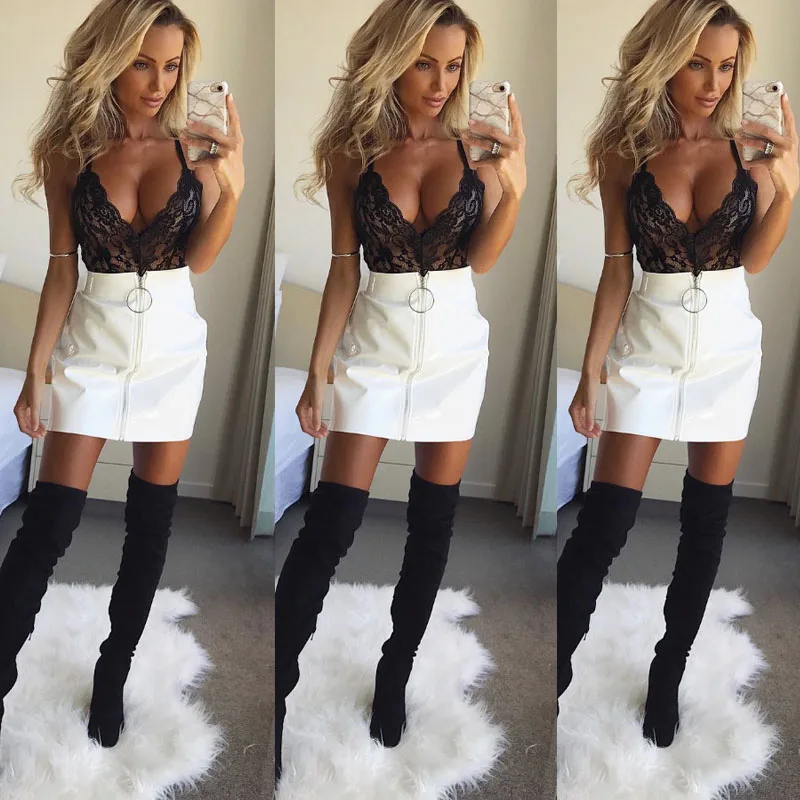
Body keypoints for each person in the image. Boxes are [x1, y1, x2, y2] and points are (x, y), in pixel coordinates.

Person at [274, 0, 527, 781]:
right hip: (374, 346)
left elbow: (481, 260)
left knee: (431, 524)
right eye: (424, 62)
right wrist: (319, 370)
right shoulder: (352, 151)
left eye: (453, 66)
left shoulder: (477, 146)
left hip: (453, 348)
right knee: (331, 523)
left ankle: (395, 674)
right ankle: (280, 674)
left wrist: (512, 187)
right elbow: (343, 267)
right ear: (391, 58)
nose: (440, 81)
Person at [558, 0, 798, 748]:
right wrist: (591, 371)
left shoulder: (748, 148)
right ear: (664, 58)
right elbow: (615, 268)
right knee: (606, 521)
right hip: (647, 349)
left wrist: (785, 184)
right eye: (697, 62)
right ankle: (557, 661)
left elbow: (754, 260)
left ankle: (668, 675)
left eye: (726, 66)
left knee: (705, 524)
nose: (713, 81)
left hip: (727, 350)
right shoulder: (625, 151)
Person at [5, 0, 244, 748]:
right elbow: (60, 268)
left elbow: (199, 260)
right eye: (142, 62)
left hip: (172, 349)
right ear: (109, 58)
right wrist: (36, 371)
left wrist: (229, 185)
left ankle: (113, 674)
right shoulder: (69, 149)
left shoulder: (193, 147)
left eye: (171, 66)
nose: (158, 81)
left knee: (149, 524)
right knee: (49, 522)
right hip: (92, 345)